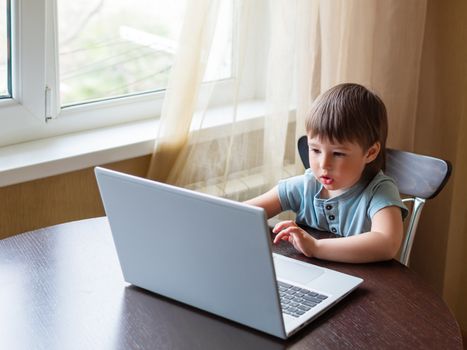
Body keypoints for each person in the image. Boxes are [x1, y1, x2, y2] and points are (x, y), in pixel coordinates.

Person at [246, 83, 408, 263]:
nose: (324, 164)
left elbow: (387, 243)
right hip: (312, 278)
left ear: (370, 152)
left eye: (338, 154)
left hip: (368, 284)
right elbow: (243, 214)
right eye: (315, 150)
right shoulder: (305, 185)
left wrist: (315, 247)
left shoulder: (379, 191)